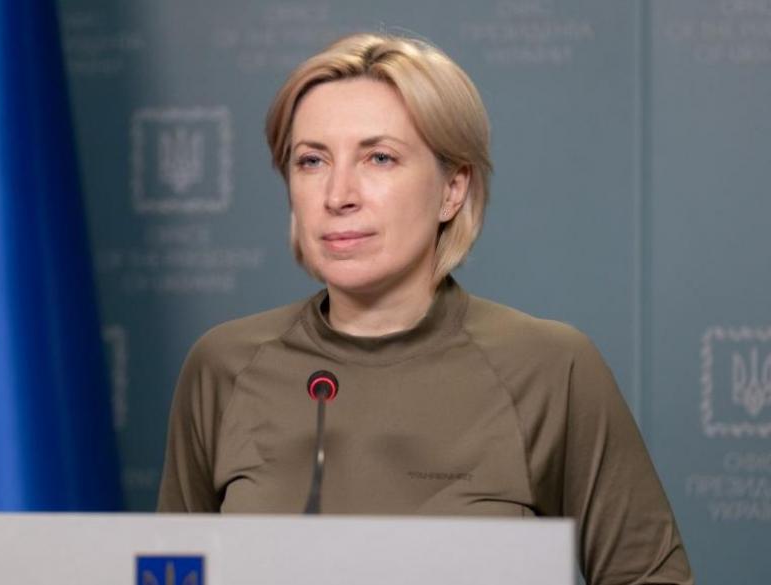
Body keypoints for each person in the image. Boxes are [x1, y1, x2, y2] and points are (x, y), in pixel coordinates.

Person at [157, 33, 693, 584]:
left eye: (379, 158)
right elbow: (167, 570)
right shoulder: (223, 366)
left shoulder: (551, 368)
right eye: (311, 161)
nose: (338, 195)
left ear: (452, 189)